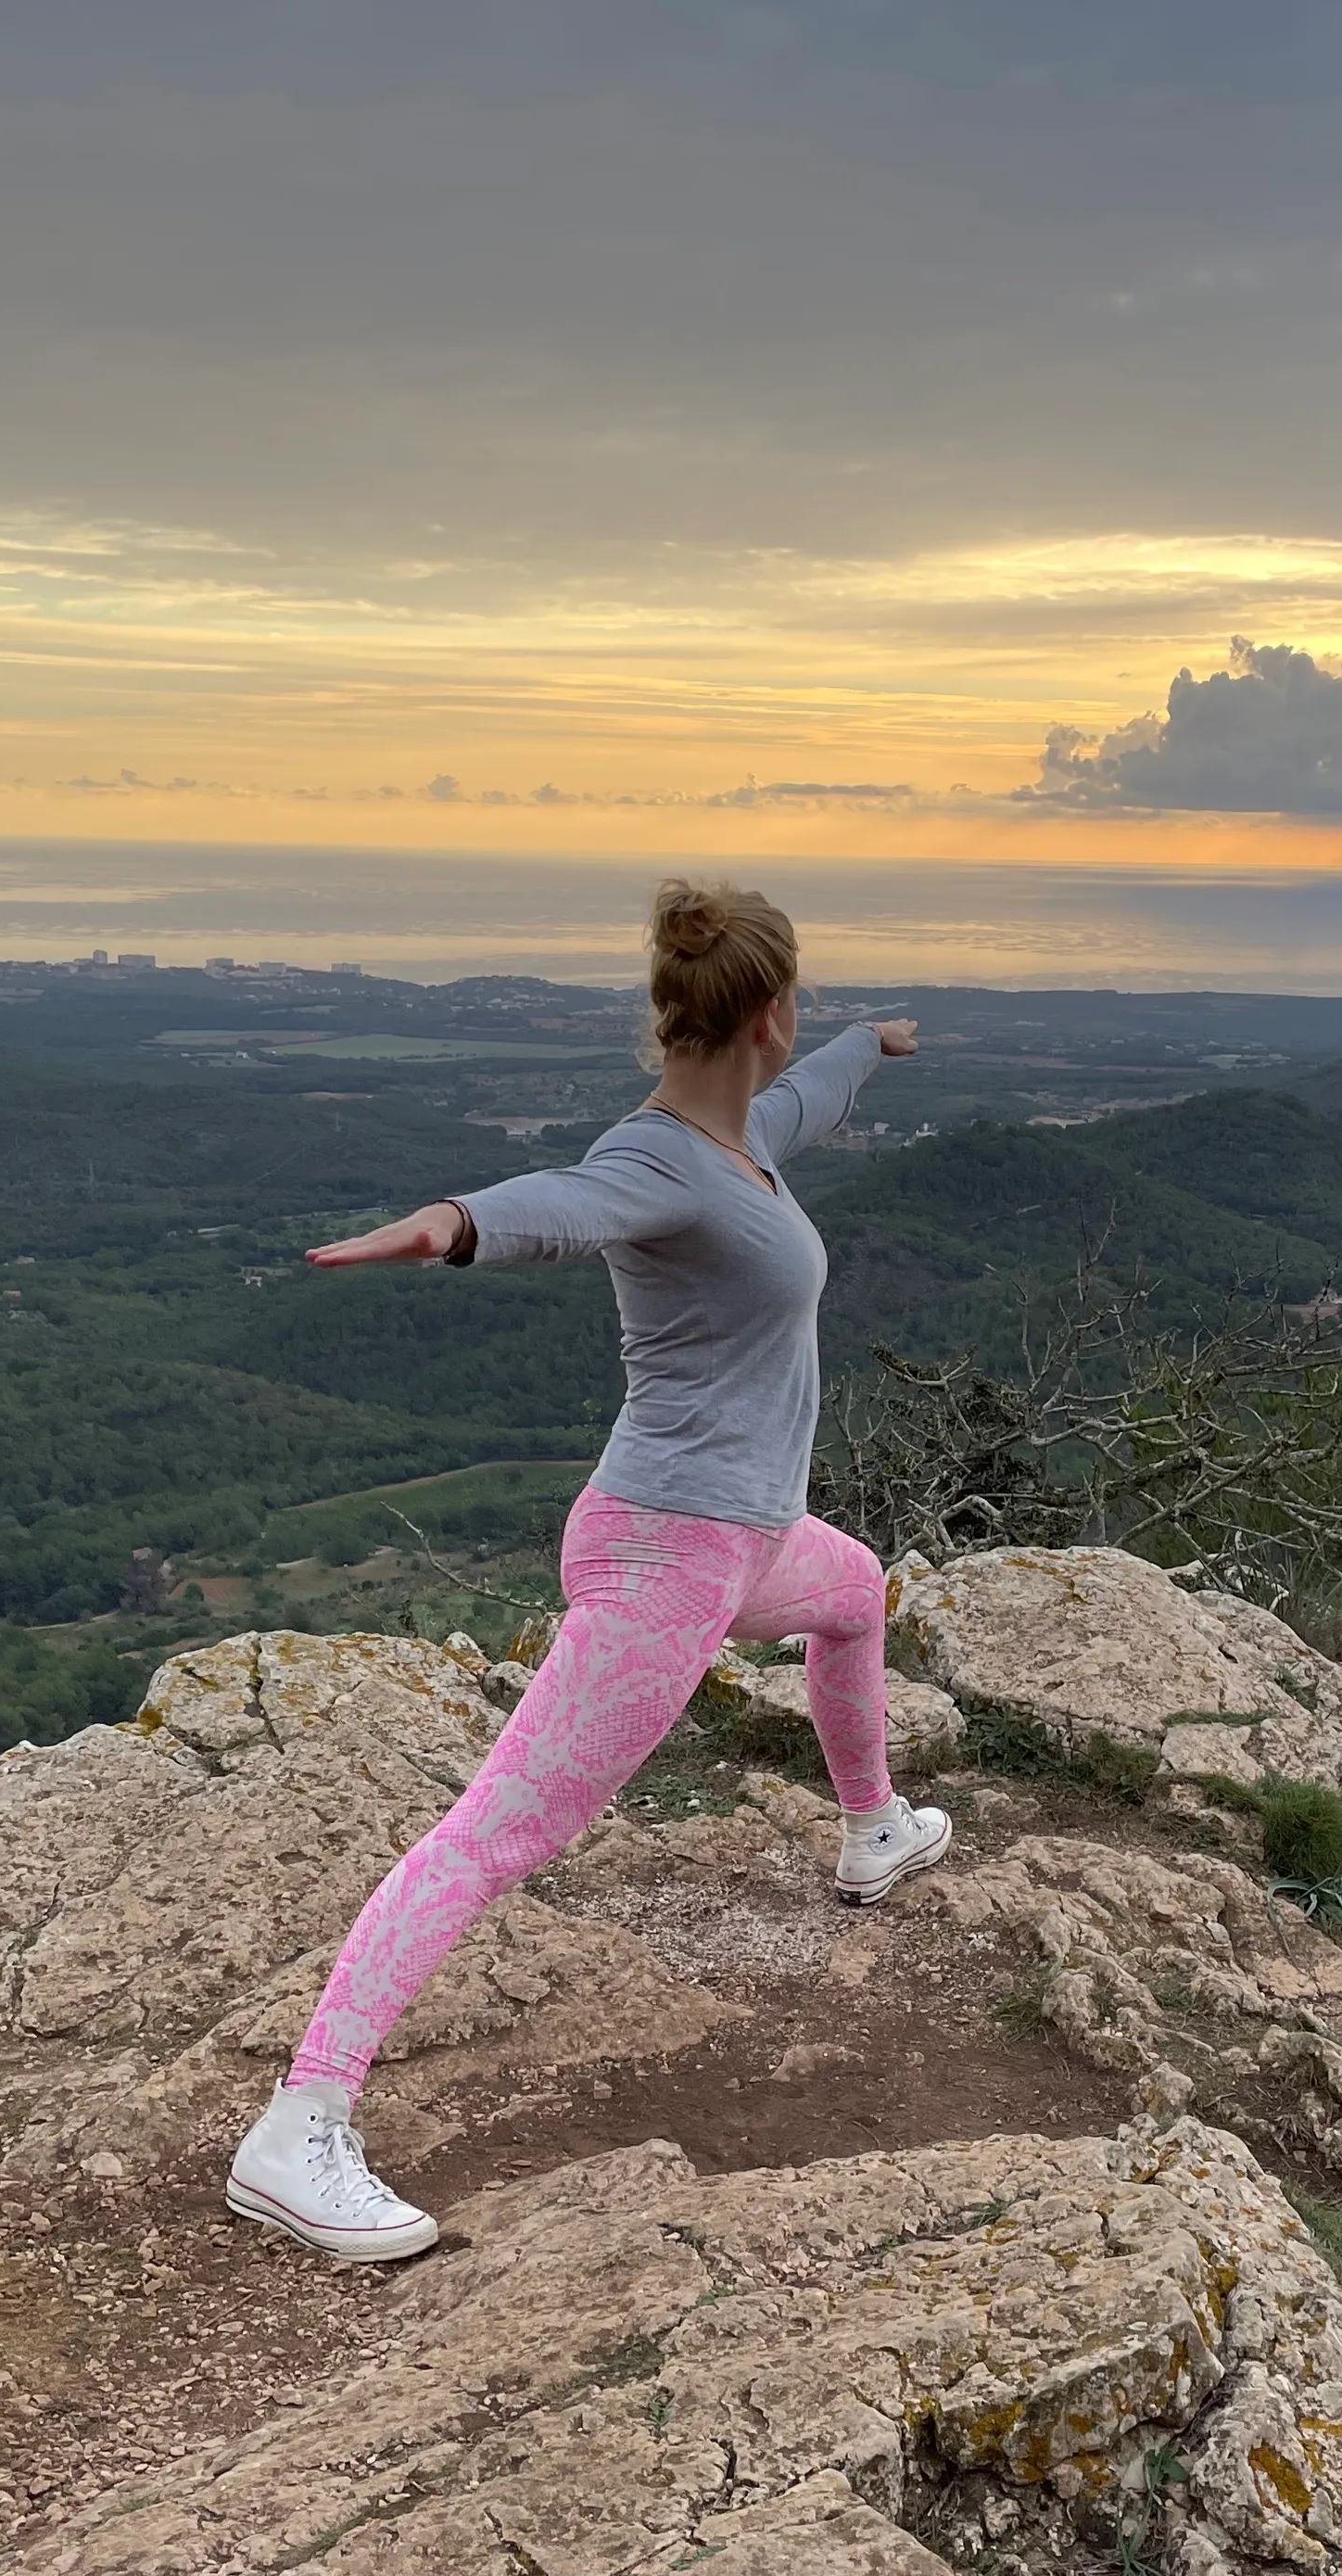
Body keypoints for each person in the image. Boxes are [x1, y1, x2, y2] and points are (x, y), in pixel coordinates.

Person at [223, 879, 951, 2261]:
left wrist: (873, 1044)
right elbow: (564, 1201)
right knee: (499, 1831)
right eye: (804, 1010)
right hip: (668, 1552)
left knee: (856, 1595)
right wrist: (450, 1221)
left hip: (743, 1541)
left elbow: (814, 1105)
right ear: (764, 1016)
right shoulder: (662, 1163)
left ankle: (874, 1830)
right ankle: (299, 2126)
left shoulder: (745, 1140)